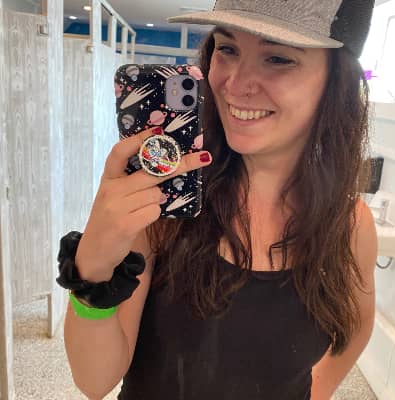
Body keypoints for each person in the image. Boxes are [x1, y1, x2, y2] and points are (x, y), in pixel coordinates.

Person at [59, 1, 378, 399]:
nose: (235, 83)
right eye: (227, 49)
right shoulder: (167, 199)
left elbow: (358, 325)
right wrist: (93, 267)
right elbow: (94, 381)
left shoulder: (348, 224)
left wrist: (319, 390)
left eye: (278, 58)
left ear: (337, 82)